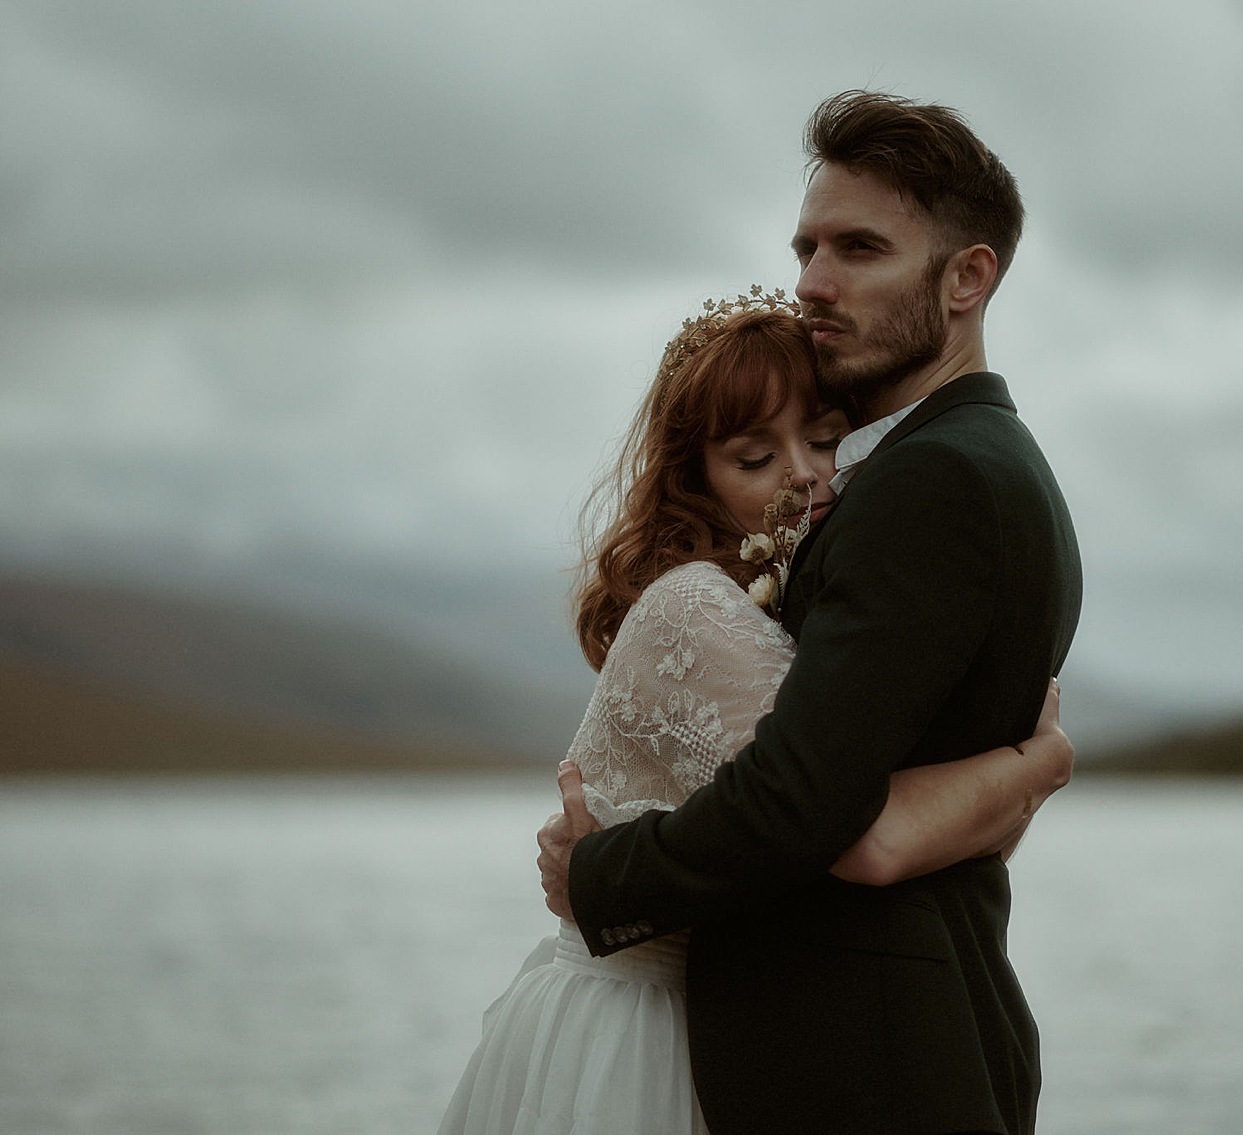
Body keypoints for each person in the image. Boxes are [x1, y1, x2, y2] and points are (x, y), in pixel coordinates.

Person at [540, 92, 1083, 1135]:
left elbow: (808, 806)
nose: (813, 285)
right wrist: (1027, 774)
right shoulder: (978, 465)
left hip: (863, 1067)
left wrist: (597, 871)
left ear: (968, 276)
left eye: (859, 249)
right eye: (806, 248)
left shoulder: (936, 483)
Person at [437, 293, 1072, 1135]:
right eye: (754, 456)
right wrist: (1039, 763)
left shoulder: (793, 615)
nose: (804, 474)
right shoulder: (694, 609)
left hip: (720, 1019)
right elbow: (863, 827)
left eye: (822, 440)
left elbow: (939, 841)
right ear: (694, 477)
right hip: (638, 1036)